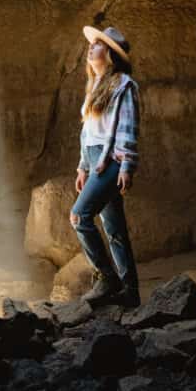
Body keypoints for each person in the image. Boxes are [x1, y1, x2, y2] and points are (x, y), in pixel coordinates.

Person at [69, 23, 141, 308]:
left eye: (98, 44)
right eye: (92, 43)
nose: (91, 47)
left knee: (79, 217)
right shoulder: (95, 86)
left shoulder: (124, 85)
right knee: (114, 229)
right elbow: (89, 133)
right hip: (95, 158)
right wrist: (82, 167)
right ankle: (131, 291)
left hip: (111, 160)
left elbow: (128, 128)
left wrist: (126, 167)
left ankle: (106, 277)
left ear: (110, 54)